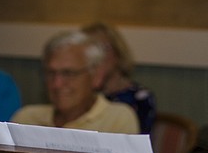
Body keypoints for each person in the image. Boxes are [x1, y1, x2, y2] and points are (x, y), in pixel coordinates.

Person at [11, 31, 139, 134]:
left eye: (68, 73)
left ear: (96, 76)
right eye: (50, 73)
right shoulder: (26, 119)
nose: (57, 83)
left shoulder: (117, 120)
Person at [82, 22, 157, 134]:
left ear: (118, 52)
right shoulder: (82, 94)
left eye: (102, 48)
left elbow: (137, 142)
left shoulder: (140, 98)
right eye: (90, 51)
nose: (97, 57)